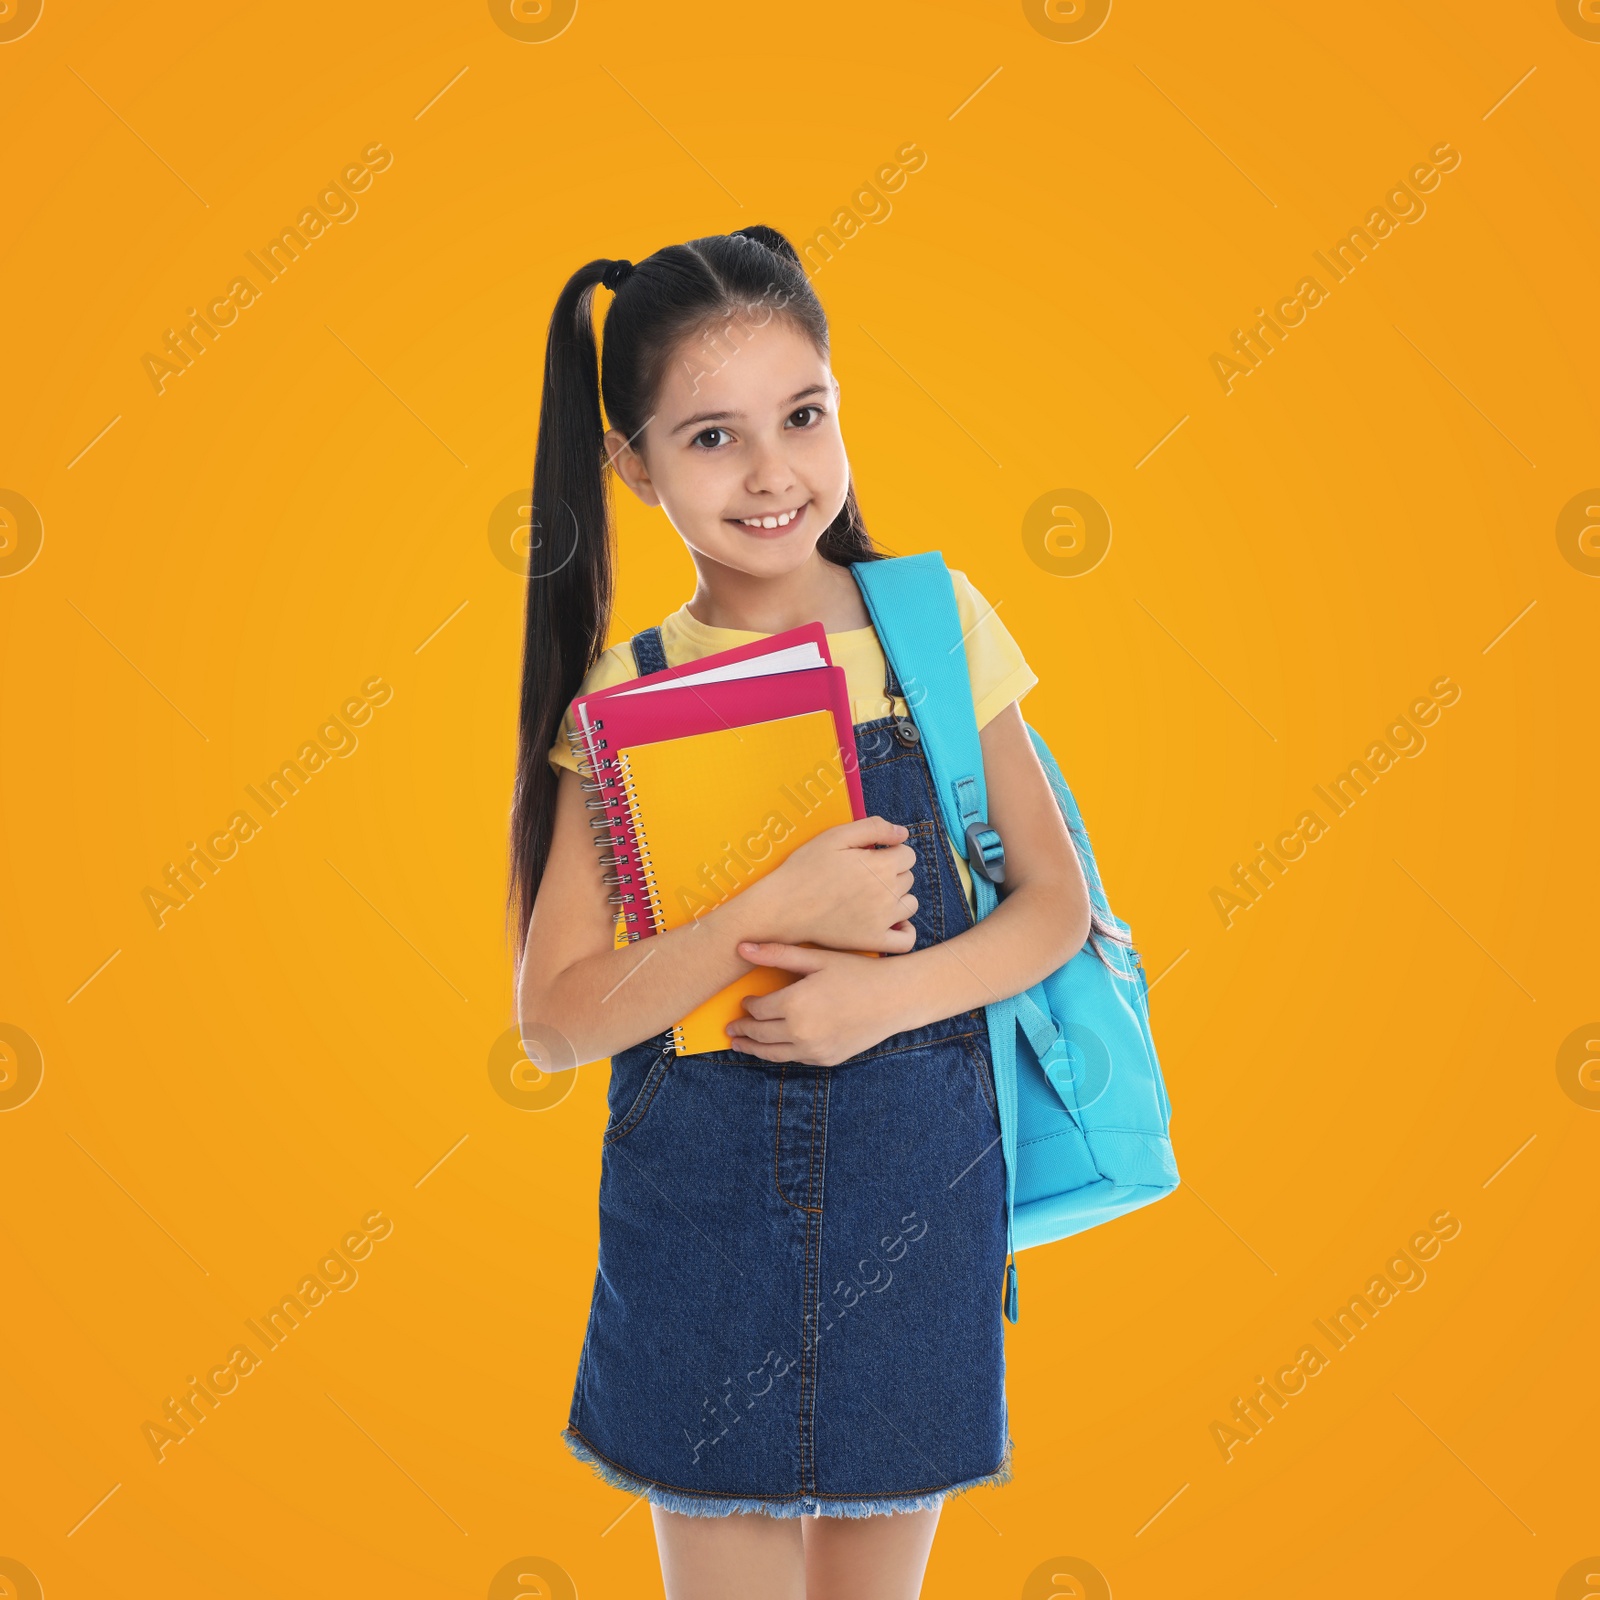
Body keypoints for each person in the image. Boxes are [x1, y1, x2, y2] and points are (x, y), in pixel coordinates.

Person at [509, 225, 1092, 1600]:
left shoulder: (933, 629)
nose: (775, 472)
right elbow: (553, 1020)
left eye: (804, 414)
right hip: (698, 1215)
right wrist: (760, 914)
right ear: (634, 466)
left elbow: (1054, 910)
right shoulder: (623, 702)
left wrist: (872, 1001)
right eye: (712, 438)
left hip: (921, 1193)